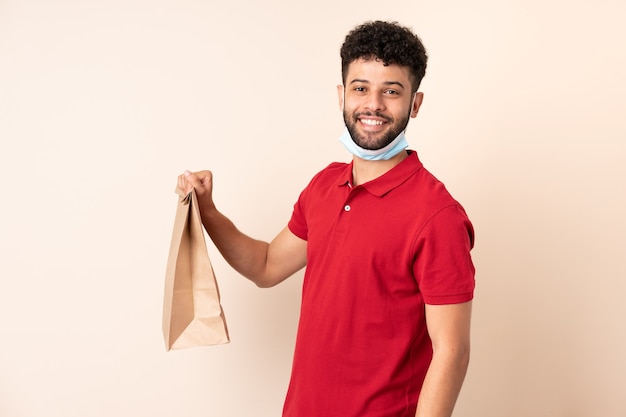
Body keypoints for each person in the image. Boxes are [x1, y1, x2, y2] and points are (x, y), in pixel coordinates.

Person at [178, 20, 475, 417]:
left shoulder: (437, 215)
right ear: (342, 96)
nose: (373, 105)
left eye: (391, 91)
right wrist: (208, 210)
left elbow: (451, 352)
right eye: (360, 88)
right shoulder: (323, 186)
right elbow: (265, 266)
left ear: (415, 104)